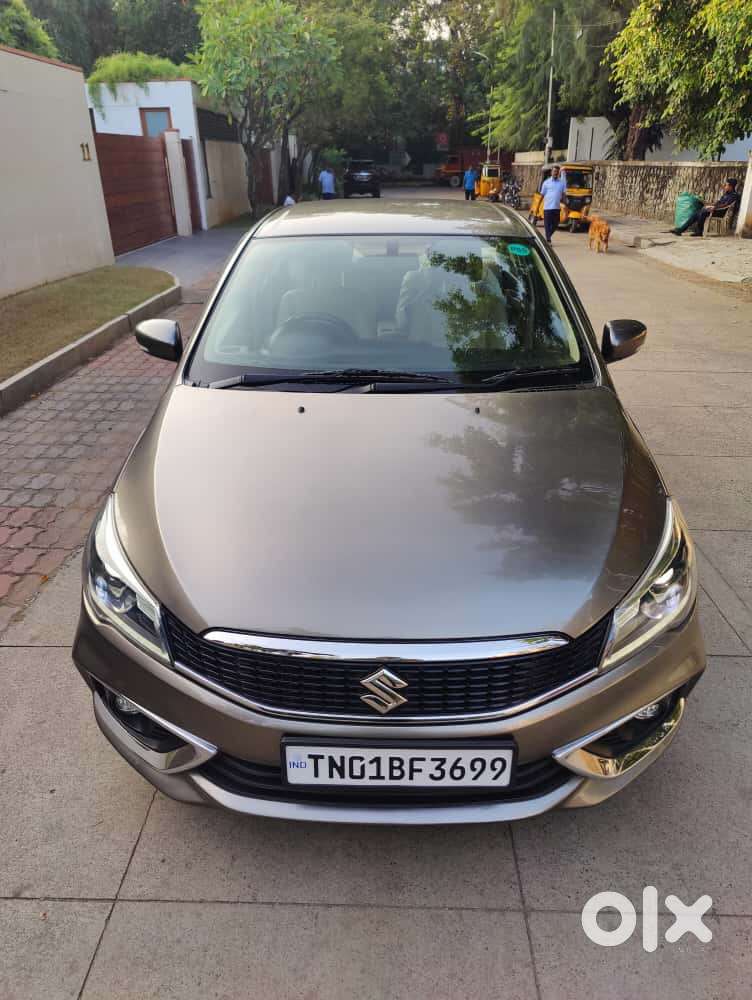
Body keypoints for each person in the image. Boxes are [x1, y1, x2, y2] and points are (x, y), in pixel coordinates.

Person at [671, 179, 740, 237]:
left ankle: (699, 231)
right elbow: (718, 202)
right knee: (697, 213)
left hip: (720, 212)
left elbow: (726, 205)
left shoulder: (734, 195)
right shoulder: (726, 194)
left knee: (702, 212)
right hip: (715, 209)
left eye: (726, 185)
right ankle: (680, 230)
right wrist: (708, 204)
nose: (725, 186)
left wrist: (714, 207)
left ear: (731, 186)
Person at [540, 165, 567, 244]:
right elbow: (542, 195)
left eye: (557, 172)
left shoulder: (561, 183)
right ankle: (548, 240)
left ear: (558, 173)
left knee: (555, 224)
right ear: (551, 172)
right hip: (547, 208)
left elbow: (564, 194)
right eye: (554, 171)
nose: (555, 173)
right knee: (547, 225)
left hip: (556, 208)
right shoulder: (546, 182)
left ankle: (547, 237)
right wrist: (538, 206)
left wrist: (565, 203)